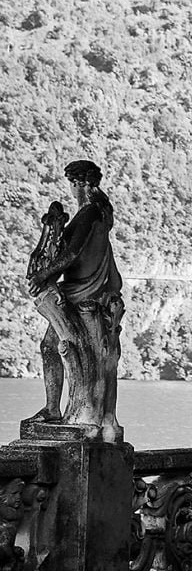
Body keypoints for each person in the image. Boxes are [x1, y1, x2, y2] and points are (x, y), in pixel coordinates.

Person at [26, 160, 124, 429]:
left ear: (80, 184)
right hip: (95, 291)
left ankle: (52, 409)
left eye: (72, 183)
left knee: (49, 346)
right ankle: (63, 409)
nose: (70, 189)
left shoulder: (88, 213)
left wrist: (43, 275)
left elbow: (71, 254)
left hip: (78, 291)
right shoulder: (104, 213)